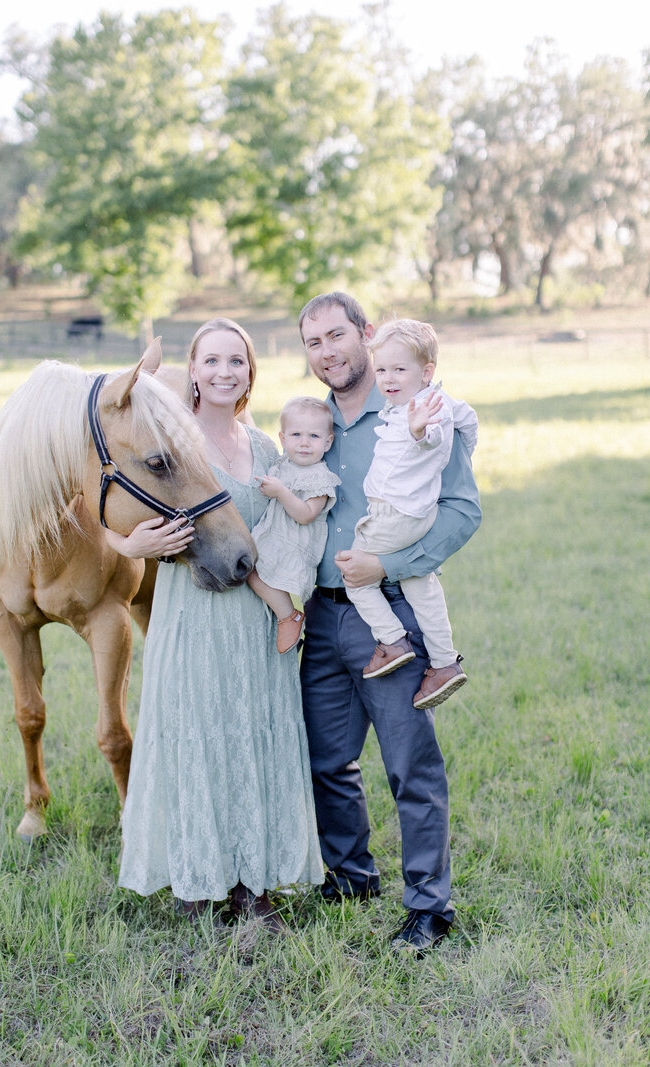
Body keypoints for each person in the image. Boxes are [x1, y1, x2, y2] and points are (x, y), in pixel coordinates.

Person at [113, 317, 324, 929]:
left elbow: (293, 524)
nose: (225, 371)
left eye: (237, 361)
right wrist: (131, 547)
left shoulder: (266, 450)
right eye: (212, 361)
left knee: (252, 739)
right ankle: (197, 882)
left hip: (257, 622)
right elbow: (90, 510)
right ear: (194, 371)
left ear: (250, 372)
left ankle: (253, 889)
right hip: (191, 614)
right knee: (197, 738)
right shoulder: (167, 445)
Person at [298, 292, 481, 955]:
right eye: (313, 341)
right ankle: (351, 873)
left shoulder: (417, 412)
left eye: (337, 335)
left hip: (391, 615)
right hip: (323, 617)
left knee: (411, 765)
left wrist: (388, 562)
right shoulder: (312, 425)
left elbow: (464, 510)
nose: (328, 351)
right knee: (326, 758)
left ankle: (430, 906)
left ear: (365, 335)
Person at [344, 318, 479, 710]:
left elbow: (432, 435)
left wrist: (422, 432)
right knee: (420, 582)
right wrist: (469, 442)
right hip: (415, 515)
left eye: (399, 369)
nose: (387, 378)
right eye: (381, 369)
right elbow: (467, 417)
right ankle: (443, 662)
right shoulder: (435, 400)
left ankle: (391, 640)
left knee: (356, 575)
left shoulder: (423, 409)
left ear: (426, 372)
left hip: (393, 514)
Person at [247, 396, 341, 654]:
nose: (304, 443)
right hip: (273, 536)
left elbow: (307, 514)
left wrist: (281, 492)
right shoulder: (282, 465)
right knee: (250, 570)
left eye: (313, 436)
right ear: (283, 438)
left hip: (293, 544)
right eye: (296, 434)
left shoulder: (319, 477)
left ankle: (289, 616)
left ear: (328, 441)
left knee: (252, 573)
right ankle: (285, 617)